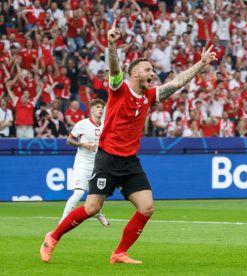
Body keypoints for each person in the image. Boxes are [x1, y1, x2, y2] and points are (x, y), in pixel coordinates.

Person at [40, 18, 217, 264]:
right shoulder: (119, 89)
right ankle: (53, 237)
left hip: (130, 162)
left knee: (146, 207)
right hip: (108, 158)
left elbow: (176, 83)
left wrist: (201, 63)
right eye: (147, 70)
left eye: (152, 70)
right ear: (134, 73)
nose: (152, 74)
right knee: (92, 207)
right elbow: (113, 69)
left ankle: (119, 253)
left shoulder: (149, 96)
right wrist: (112, 45)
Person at [59, 99, 109, 227]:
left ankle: (98, 213)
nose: (101, 109)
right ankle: (62, 221)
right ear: (91, 109)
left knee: (97, 194)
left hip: (98, 163)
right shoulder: (82, 124)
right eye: (98, 107)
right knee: (79, 193)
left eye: (102, 107)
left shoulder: (105, 124)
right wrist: (82, 144)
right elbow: (69, 140)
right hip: (83, 162)